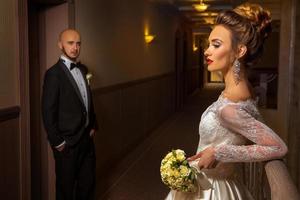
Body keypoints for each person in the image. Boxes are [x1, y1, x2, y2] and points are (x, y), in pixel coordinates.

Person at [166, 3, 287, 200]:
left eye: (216, 44)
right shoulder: (241, 90)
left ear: (240, 51)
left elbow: (278, 147)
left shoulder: (229, 109)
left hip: (213, 190)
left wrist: (219, 152)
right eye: (208, 44)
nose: (207, 51)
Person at [42, 29, 97, 200]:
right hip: (67, 144)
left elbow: (87, 99)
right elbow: (47, 111)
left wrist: (93, 124)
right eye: (70, 43)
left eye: (78, 43)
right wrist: (58, 142)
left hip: (86, 140)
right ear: (60, 45)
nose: (75, 47)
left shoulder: (83, 69)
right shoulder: (53, 74)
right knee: (65, 189)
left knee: (87, 184)